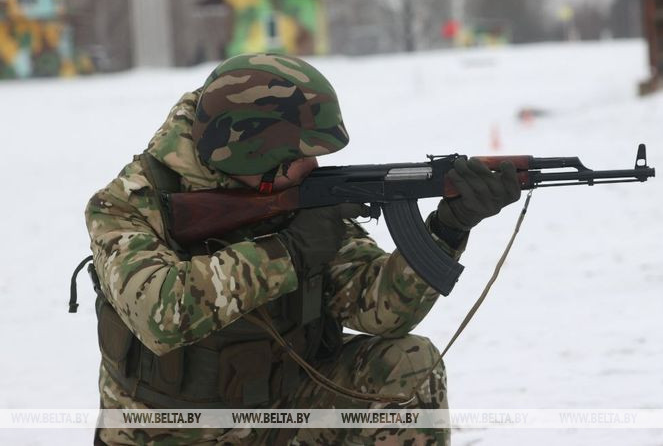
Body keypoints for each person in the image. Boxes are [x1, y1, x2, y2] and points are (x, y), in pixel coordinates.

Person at [85, 53, 521, 445]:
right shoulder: (127, 204)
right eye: (298, 155)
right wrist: (288, 252)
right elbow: (162, 314)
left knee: (409, 365)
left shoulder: (291, 196)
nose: (313, 166)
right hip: (168, 433)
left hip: (285, 413)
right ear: (249, 151)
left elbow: (379, 309)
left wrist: (447, 228)